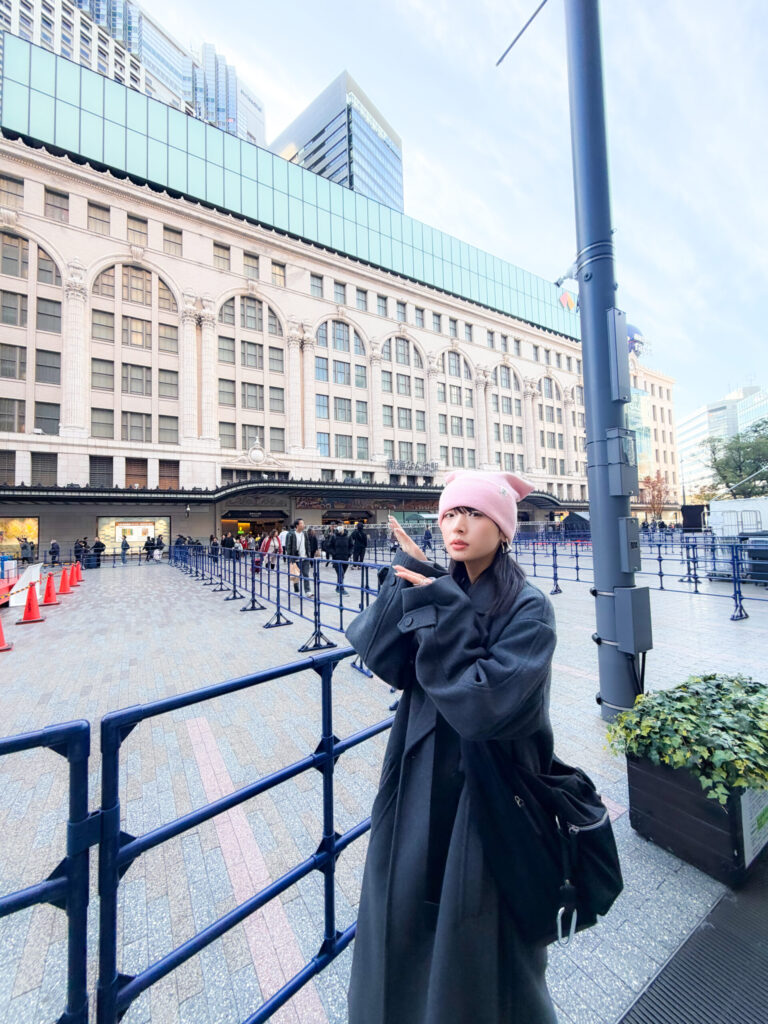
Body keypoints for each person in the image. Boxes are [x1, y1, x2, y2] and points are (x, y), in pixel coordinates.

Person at [345, 470, 559, 1024]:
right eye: (449, 514)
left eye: (474, 514)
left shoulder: (529, 608)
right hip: (418, 773)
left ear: (504, 528)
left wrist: (439, 603)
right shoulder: (442, 585)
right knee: (401, 911)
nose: (457, 526)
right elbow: (388, 661)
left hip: (490, 791)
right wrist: (410, 578)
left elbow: (484, 704)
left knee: (480, 934)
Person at [284, 518, 311, 594]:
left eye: (303, 523)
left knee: (306, 575)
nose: (303, 525)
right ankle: (296, 587)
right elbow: (288, 546)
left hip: (305, 558)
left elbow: (307, 544)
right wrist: (290, 558)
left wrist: (308, 554)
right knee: (296, 575)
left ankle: (308, 591)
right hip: (295, 558)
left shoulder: (305, 534)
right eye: (302, 523)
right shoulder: (292, 534)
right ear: (297, 525)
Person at [327, 524, 351, 593]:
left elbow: (351, 546)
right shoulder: (334, 537)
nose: (340, 528)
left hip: (345, 559)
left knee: (341, 575)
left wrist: (349, 554)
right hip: (336, 559)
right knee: (341, 573)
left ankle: (338, 587)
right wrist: (334, 553)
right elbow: (329, 546)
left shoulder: (348, 537)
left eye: (342, 526)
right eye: (339, 526)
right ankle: (341, 588)